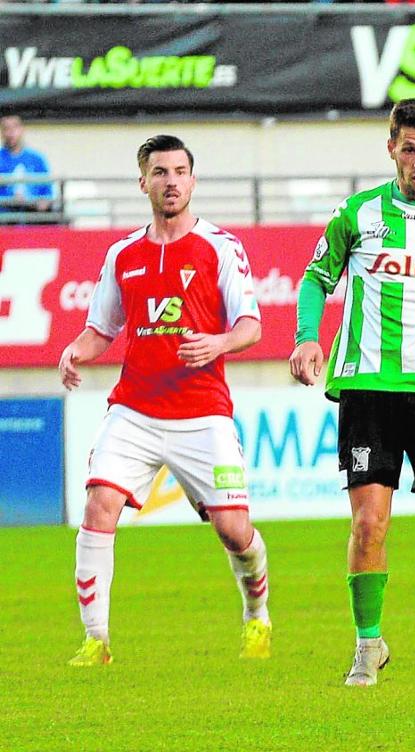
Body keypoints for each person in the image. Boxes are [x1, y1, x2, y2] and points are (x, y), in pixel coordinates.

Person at [289, 98, 415, 687]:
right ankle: (368, 644)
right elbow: (315, 279)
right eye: (409, 148)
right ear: (391, 148)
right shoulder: (357, 214)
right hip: (368, 390)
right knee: (370, 526)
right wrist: (307, 339)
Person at [58, 135, 271, 666]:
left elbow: (251, 326)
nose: (171, 181)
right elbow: (101, 328)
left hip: (203, 414)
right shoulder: (122, 254)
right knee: (98, 506)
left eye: (180, 171)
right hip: (134, 409)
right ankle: (96, 639)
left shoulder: (220, 246)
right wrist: (75, 350)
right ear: (144, 183)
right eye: (160, 172)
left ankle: (257, 614)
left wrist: (218, 342)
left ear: (193, 182)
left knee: (232, 529)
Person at [0, 114, 55, 217]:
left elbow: (48, 191)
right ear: (2, 133)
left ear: (22, 129)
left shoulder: (37, 158)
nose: (11, 133)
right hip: (5, 216)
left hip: (33, 215)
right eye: (6, 128)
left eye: (15, 127)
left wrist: (42, 202)